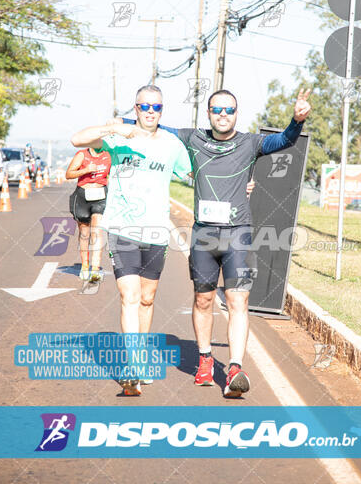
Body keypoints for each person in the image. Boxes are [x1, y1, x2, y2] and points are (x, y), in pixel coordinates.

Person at [117, 87, 311, 398]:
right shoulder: (193, 138)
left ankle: (235, 367)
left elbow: (284, 140)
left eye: (229, 110)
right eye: (217, 110)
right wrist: (123, 119)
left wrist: (296, 121)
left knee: (239, 301)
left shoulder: (250, 143)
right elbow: (151, 126)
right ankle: (205, 360)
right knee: (203, 301)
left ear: (237, 114)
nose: (223, 115)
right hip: (204, 236)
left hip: (238, 235)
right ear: (208, 113)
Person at [70, 85, 192, 395]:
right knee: (129, 296)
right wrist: (114, 127)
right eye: (144, 106)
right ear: (135, 108)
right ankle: (133, 365)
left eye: (156, 107)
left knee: (148, 299)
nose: (150, 112)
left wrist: (237, 186)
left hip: (155, 231)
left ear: (162, 110)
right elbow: (77, 139)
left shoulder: (171, 144)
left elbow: (193, 175)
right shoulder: (119, 137)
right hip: (122, 228)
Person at [66, 146, 111, 284]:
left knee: (97, 232)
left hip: (100, 197)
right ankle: (85, 266)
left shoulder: (109, 155)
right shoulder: (82, 155)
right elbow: (68, 174)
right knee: (84, 234)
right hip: (82, 197)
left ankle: (95, 269)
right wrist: (86, 170)